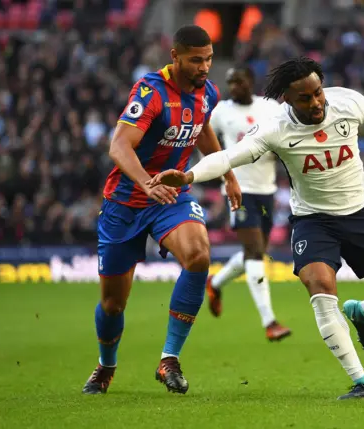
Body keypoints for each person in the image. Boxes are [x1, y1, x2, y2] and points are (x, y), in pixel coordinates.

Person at [150, 57, 364, 400]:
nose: (315, 102)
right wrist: (190, 175)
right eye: (305, 98)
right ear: (286, 99)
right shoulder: (275, 128)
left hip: (359, 213)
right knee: (321, 289)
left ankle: (362, 312)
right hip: (313, 221)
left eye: (317, 93)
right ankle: (362, 382)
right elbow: (229, 156)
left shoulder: (346, 102)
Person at [82, 25, 242, 395]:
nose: (204, 67)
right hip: (126, 202)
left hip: (171, 196)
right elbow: (119, 146)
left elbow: (202, 131)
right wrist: (145, 183)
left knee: (199, 255)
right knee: (112, 304)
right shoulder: (150, 91)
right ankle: (106, 365)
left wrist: (227, 174)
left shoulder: (208, 93)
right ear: (175, 57)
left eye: (209, 59)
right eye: (196, 60)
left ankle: (169, 358)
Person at [207, 65, 291, 341]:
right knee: (255, 253)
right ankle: (270, 322)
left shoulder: (270, 107)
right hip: (239, 191)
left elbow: (286, 137)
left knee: (255, 252)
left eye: (239, 81)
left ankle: (215, 282)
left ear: (250, 82)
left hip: (266, 190)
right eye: (230, 82)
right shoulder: (220, 111)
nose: (234, 87)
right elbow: (205, 138)